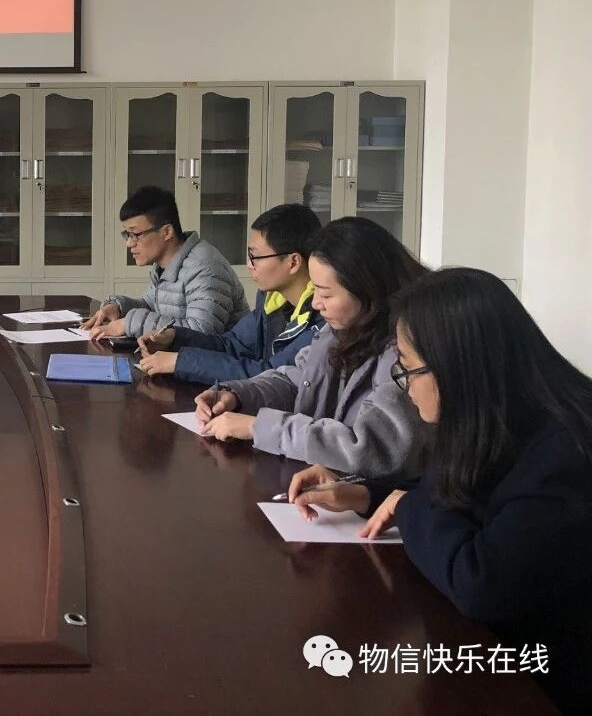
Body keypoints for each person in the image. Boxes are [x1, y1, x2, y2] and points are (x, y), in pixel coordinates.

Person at [287, 268, 592, 714]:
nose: (405, 385)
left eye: (409, 369)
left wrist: (409, 506)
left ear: (458, 367)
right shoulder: (500, 414)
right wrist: (365, 493)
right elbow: (455, 489)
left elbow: (482, 584)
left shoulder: (568, 450)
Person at [194, 216, 429, 479]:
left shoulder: (406, 350)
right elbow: (297, 379)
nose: (316, 303)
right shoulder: (340, 329)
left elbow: (368, 447)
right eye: (314, 290)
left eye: (325, 293)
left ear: (368, 290)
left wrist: (258, 427)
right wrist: (237, 395)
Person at [138, 203, 322, 382]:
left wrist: (181, 362)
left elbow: (270, 375)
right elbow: (231, 345)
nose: (249, 265)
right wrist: (175, 338)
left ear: (293, 262)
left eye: (255, 256)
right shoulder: (272, 300)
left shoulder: (323, 319)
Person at [83, 185, 248, 339]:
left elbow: (201, 332)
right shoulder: (166, 264)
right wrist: (118, 308)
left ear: (167, 232)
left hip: (218, 359)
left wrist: (128, 324)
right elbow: (150, 306)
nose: (129, 243)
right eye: (127, 234)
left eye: (136, 234)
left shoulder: (205, 268)